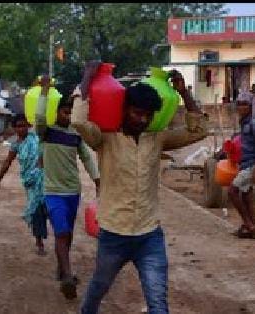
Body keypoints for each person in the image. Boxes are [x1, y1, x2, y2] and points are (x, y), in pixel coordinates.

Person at [72, 61, 209, 314]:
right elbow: (79, 122)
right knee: (99, 288)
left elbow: (199, 130)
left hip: (149, 235)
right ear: (125, 110)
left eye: (147, 115)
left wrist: (184, 92)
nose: (142, 119)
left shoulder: (157, 138)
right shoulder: (105, 137)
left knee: (158, 303)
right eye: (136, 113)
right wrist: (88, 76)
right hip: (113, 234)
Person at [34, 76, 101, 299]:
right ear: (57, 112)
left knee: (68, 234)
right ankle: (68, 276)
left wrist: (97, 180)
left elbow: (87, 159)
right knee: (61, 232)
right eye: (65, 112)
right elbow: (39, 115)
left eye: (71, 113)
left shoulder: (76, 135)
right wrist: (44, 91)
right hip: (53, 193)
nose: (68, 116)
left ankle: (61, 269)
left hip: (73, 191)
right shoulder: (46, 131)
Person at [0, 113, 49, 256]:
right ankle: (39, 242)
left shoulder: (37, 139)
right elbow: (7, 162)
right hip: (30, 182)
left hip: (45, 179)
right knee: (36, 210)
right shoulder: (16, 145)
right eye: (18, 126)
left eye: (23, 125)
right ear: (14, 128)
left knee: (46, 209)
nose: (21, 129)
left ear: (28, 126)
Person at [228, 93, 255, 239]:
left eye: (245, 104)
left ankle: (248, 224)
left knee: (232, 191)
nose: (241, 107)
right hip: (245, 163)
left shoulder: (254, 124)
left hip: (251, 165)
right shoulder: (244, 123)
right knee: (246, 197)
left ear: (251, 106)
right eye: (239, 104)